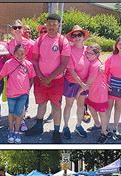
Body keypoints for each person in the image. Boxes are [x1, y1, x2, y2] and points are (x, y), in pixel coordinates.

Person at [27, 13, 70, 143]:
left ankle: (56, 131)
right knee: (41, 103)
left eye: (54, 24)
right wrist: (40, 76)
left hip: (56, 81)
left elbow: (64, 64)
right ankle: (38, 126)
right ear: (46, 24)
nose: (51, 26)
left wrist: (50, 78)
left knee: (56, 105)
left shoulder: (63, 41)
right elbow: (34, 60)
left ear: (58, 25)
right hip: (41, 79)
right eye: (49, 24)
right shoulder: (39, 40)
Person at [0, 43, 35, 143]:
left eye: (22, 53)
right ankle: (11, 130)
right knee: (11, 112)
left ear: (25, 53)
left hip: (23, 94)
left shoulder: (29, 64)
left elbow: (32, 78)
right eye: (18, 53)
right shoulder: (9, 63)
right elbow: (1, 76)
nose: (20, 55)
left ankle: (17, 132)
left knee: (19, 114)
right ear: (14, 53)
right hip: (11, 94)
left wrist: (28, 89)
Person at [62, 25, 91, 140]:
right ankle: (65, 126)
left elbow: (95, 63)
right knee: (68, 105)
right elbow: (71, 70)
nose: (77, 37)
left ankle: (78, 125)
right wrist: (82, 84)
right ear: (72, 38)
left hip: (84, 83)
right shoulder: (69, 51)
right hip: (71, 82)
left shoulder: (88, 50)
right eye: (74, 35)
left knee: (80, 105)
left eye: (79, 35)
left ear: (83, 37)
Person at [7, 20, 35, 131]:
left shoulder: (30, 43)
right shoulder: (10, 44)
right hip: (13, 75)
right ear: (12, 30)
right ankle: (14, 121)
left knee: (24, 98)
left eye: (19, 27)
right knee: (14, 99)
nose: (17, 29)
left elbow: (33, 59)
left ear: (23, 29)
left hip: (25, 75)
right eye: (15, 28)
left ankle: (21, 120)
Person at [79, 44, 109, 143]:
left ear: (97, 54)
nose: (88, 55)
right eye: (87, 53)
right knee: (91, 108)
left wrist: (78, 92)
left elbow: (89, 82)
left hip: (99, 91)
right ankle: (97, 125)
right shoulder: (92, 62)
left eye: (91, 54)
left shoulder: (96, 65)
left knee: (102, 113)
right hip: (93, 91)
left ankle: (104, 132)